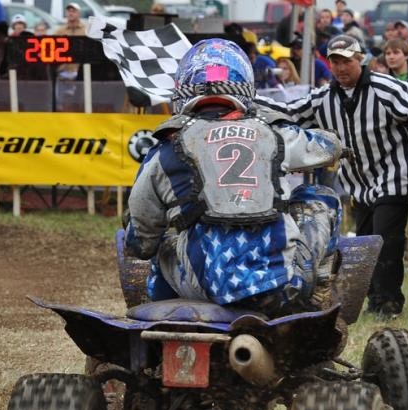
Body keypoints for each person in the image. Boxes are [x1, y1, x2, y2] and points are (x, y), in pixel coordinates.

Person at [126, 39, 346, 314]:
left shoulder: (165, 149)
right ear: (245, 85)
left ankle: (161, 310)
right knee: (322, 197)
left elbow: (141, 244)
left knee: (162, 241)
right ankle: (318, 292)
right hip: (283, 287)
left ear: (182, 88)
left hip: (205, 289)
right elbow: (330, 147)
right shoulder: (276, 135)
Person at [256, 34, 408, 319]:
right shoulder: (323, 99)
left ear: (360, 59)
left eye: (347, 61)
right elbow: (289, 113)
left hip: (395, 174)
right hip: (358, 181)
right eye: (335, 62)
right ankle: (372, 299)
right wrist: (247, 100)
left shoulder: (386, 88)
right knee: (365, 242)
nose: (341, 68)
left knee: (385, 240)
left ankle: (388, 302)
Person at [54, 3, 87, 79]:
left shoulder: (86, 30)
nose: (71, 13)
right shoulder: (59, 31)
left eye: (73, 11)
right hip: (63, 72)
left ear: (79, 14)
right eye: (69, 11)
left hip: (81, 72)